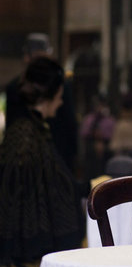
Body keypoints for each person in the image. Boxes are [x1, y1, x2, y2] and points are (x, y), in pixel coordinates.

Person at [0, 57, 89, 267]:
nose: (60, 103)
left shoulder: (30, 131)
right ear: (50, 97)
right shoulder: (27, 136)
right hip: (29, 253)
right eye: (59, 97)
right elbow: (39, 187)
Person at [5, 33, 79, 174]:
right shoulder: (61, 83)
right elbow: (70, 125)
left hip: (30, 163)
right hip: (55, 160)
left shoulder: (14, 87)